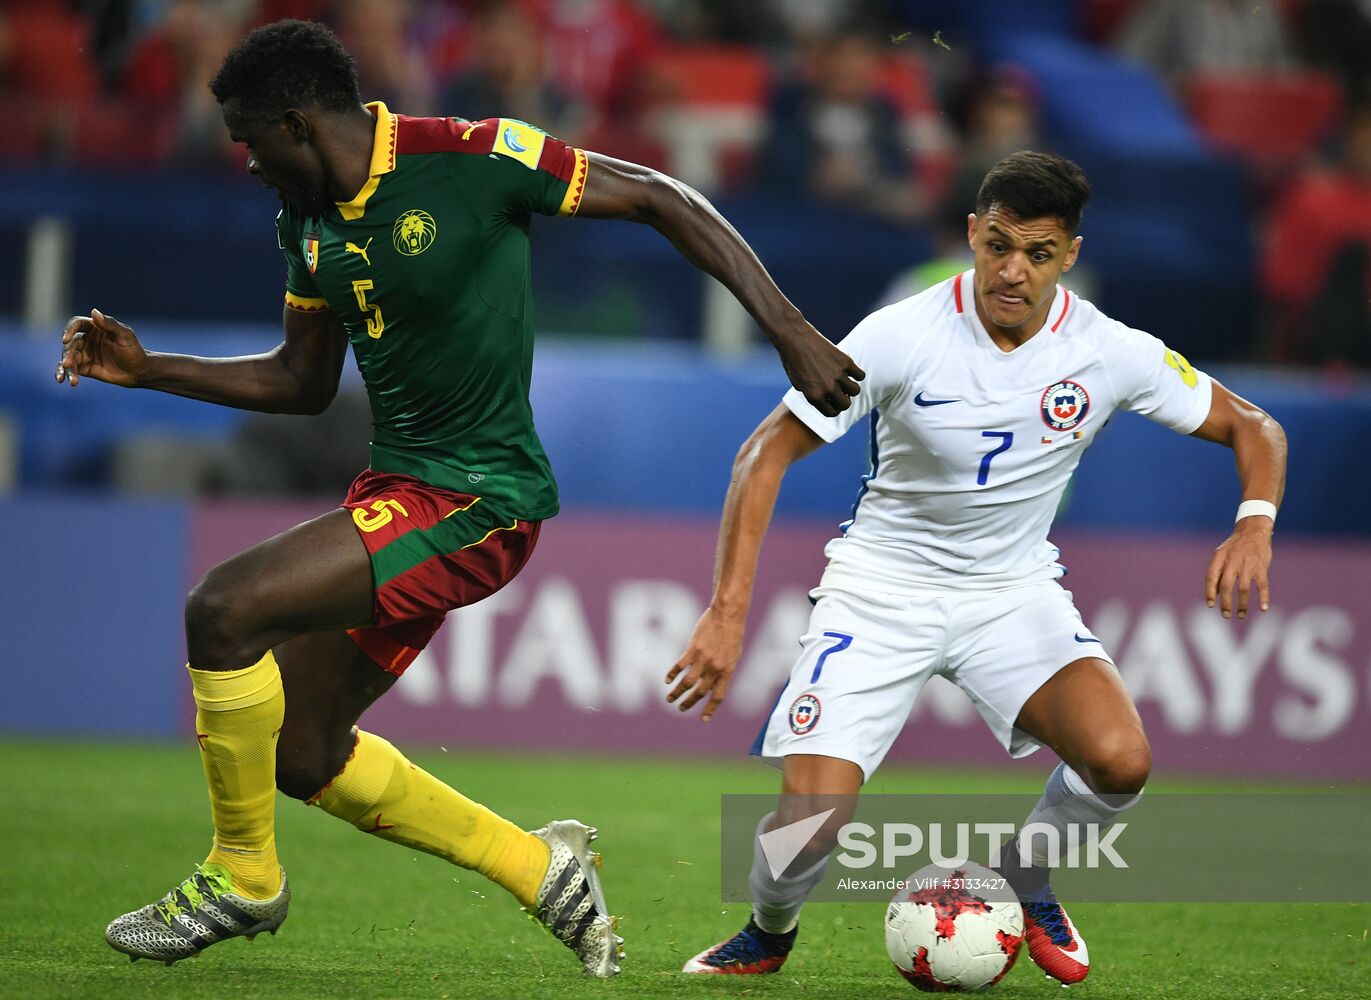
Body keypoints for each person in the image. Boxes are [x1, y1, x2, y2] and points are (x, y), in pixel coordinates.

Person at [56, 19, 863, 975]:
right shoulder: (304, 218)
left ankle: (242, 875)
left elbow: (656, 195)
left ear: (296, 120)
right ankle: (541, 868)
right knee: (303, 753)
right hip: (400, 495)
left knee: (222, 610)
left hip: (480, 502)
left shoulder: (470, 157)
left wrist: (789, 329)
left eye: (249, 140)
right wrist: (150, 371)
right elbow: (301, 383)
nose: (247, 163)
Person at [665, 151, 1286, 984]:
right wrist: (727, 610)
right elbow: (762, 457)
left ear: (1068, 254)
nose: (1010, 270)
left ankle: (1026, 875)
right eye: (996, 245)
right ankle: (768, 932)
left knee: (1120, 763)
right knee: (808, 820)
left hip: (1010, 593)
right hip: (878, 592)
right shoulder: (901, 333)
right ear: (970, 234)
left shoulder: (1107, 350)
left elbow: (1256, 428)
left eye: (1035, 253)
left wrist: (1252, 526)